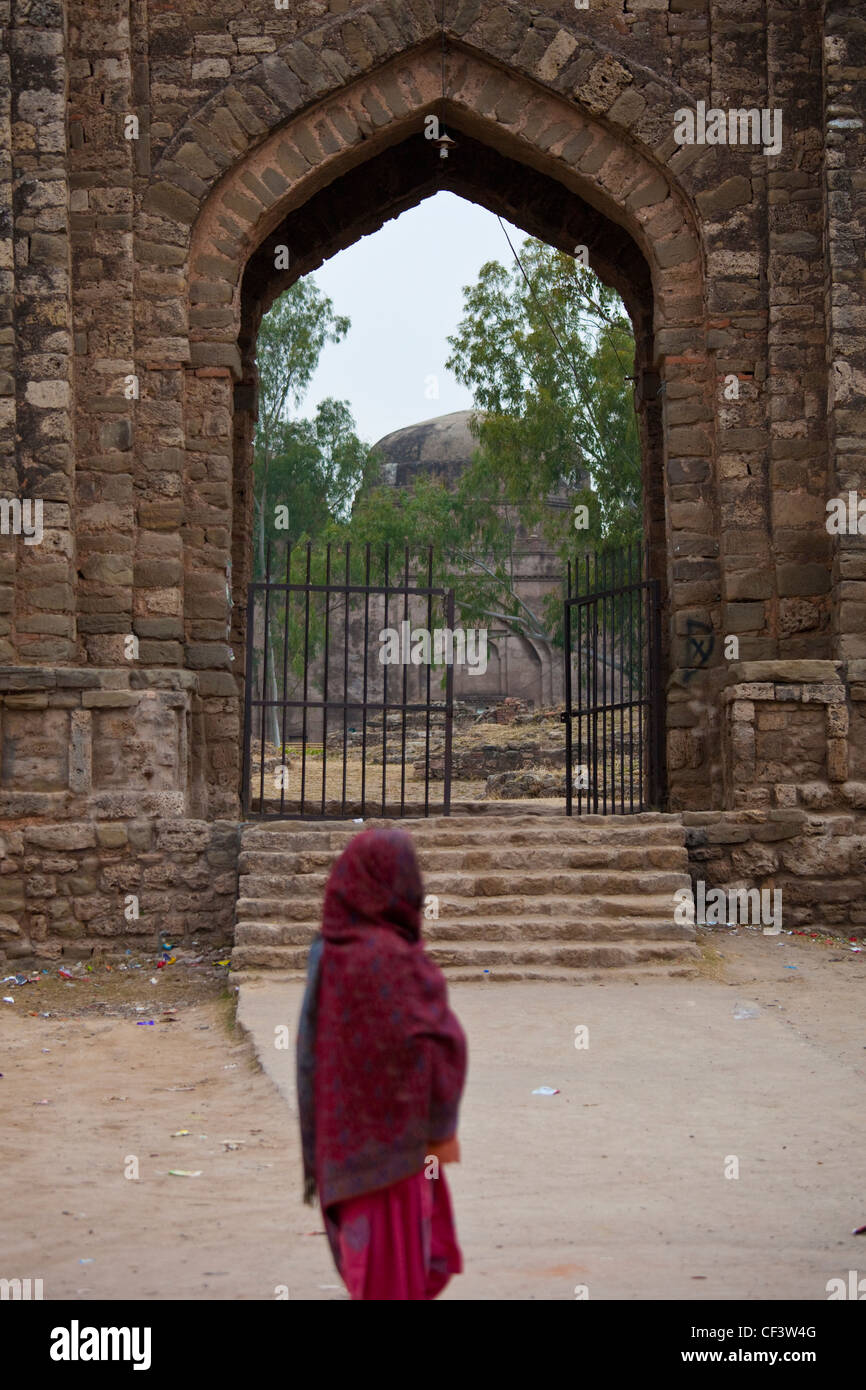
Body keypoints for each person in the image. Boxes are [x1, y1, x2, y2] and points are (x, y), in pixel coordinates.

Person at [296, 826, 467, 1301]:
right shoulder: (396, 960)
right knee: (398, 1278)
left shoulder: (326, 953)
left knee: (368, 1274)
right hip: (397, 1157)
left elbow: (311, 1057)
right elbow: (445, 1042)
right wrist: (439, 1126)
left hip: (343, 1154)